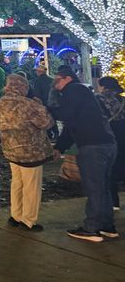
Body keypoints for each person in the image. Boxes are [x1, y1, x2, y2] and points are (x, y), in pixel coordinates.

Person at [52, 65, 117, 242]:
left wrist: (47, 108)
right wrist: (60, 147)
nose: (55, 84)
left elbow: (66, 115)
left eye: (57, 80)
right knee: (103, 187)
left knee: (94, 187)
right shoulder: (84, 93)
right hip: (107, 144)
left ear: (67, 78)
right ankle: (107, 225)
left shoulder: (73, 90)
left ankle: (92, 228)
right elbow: (71, 124)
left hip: (92, 146)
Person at [0, 74, 55, 232]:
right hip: (30, 152)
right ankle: (28, 220)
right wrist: (39, 105)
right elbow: (47, 123)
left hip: (10, 150)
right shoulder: (28, 104)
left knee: (17, 183)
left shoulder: (2, 101)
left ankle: (15, 215)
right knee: (31, 186)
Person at [96, 76, 125, 211]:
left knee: (110, 170)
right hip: (123, 135)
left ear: (103, 86)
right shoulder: (122, 99)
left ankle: (114, 202)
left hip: (110, 136)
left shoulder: (100, 99)